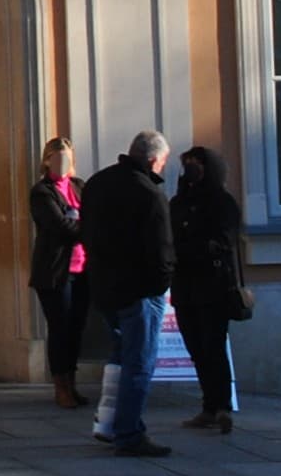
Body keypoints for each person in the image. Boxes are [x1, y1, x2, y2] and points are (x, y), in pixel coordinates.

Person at [77, 128, 176, 457]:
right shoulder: (150, 194)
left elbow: (85, 232)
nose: (163, 167)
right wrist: (159, 286)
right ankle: (128, 432)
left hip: (104, 285)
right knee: (140, 361)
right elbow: (163, 250)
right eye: (162, 162)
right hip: (140, 290)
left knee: (120, 355)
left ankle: (107, 422)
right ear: (151, 160)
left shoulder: (97, 183)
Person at [170, 144, 245, 434]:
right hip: (185, 285)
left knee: (213, 345)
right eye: (186, 164)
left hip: (213, 286)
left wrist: (193, 249)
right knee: (196, 348)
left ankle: (221, 405)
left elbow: (225, 241)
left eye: (196, 165)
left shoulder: (222, 202)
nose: (190, 170)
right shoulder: (178, 203)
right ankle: (208, 405)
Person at [28, 136, 89, 408]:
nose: (62, 163)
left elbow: (96, 214)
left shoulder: (79, 187)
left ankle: (73, 383)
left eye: (66, 157)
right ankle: (60, 386)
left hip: (83, 269)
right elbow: (60, 226)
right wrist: (91, 230)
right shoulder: (42, 192)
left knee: (76, 329)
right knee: (60, 328)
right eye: (57, 157)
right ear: (47, 160)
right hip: (55, 272)